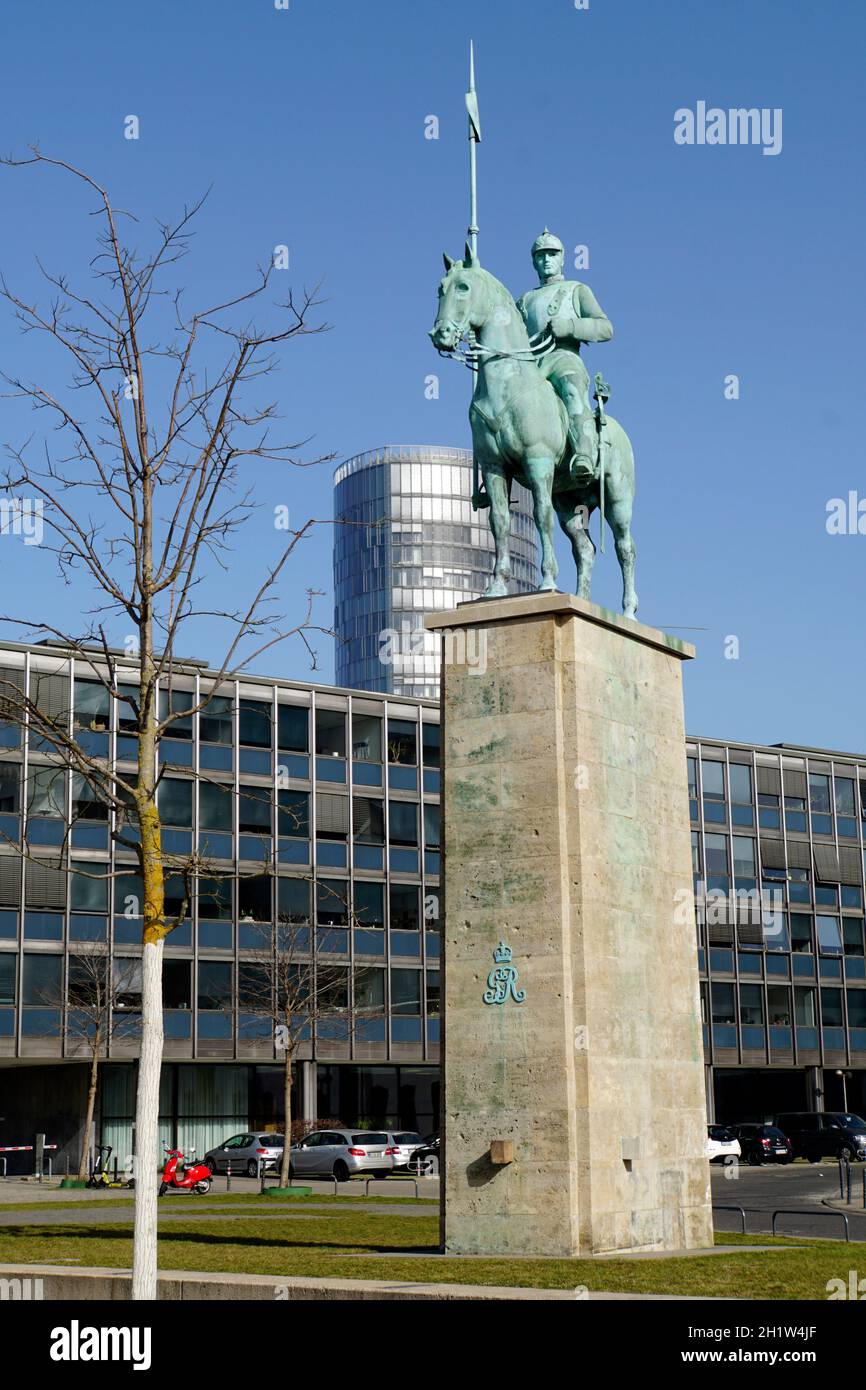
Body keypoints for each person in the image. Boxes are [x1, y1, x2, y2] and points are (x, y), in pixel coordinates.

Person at [516, 229, 613, 485]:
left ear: (562, 258)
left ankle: (584, 452)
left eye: (552, 254)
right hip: (531, 364)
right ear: (533, 261)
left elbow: (605, 328)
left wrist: (570, 326)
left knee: (571, 390)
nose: (547, 260)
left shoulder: (576, 290)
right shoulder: (525, 300)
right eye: (541, 256)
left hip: (563, 358)